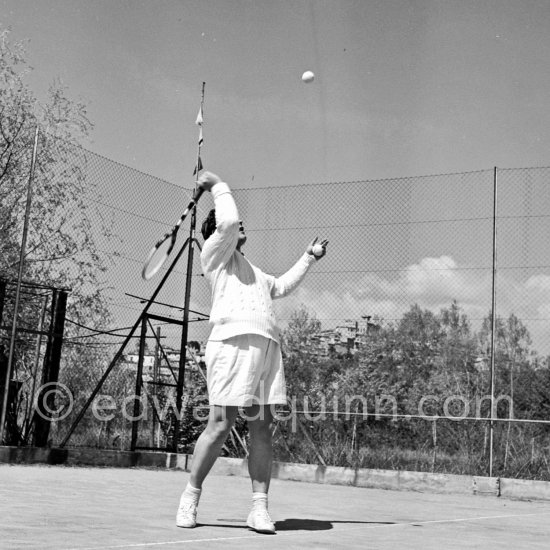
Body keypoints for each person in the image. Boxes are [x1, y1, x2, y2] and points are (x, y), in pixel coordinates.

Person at [176, 171, 328, 534]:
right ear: (218, 235)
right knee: (220, 424)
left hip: (267, 349)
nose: (240, 224)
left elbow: (282, 285)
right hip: (231, 344)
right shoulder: (214, 256)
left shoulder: (254, 272)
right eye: (234, 224)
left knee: (262, 429)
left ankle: (259, 509)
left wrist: (308, 257)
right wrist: (214, 184)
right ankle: (190, 497)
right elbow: (227, 219)